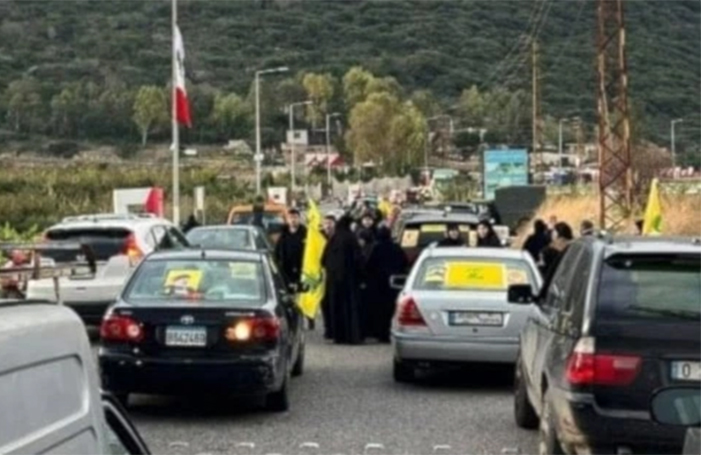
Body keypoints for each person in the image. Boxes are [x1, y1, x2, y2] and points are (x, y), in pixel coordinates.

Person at [321, 215, 364, 345]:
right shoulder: (351, 238)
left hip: (334, 280)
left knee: (336, 307)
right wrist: (361, 276)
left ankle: (338, 335)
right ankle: (352, 336)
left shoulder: (334, 239)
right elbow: (358, 259)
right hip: (350, 280)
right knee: (351, 308)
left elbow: (323, 259)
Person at [363, 226, 407, 342]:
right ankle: (390, 332)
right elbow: (404, 262)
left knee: (379, 310)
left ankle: (380, 334)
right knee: (391, 310)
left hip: (378, 285)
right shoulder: (396, 248)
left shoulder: (376, 248)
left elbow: (369, 265)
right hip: (393, 285)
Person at [274, 209, 309, 325]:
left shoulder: (306, 234)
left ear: (299, 219)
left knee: (303, 295)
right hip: (287, 271)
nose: (293, 220)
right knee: (289, 297)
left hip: (302, 270)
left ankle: (307, 317)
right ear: (287, 220)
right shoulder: (283, 235)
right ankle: (292, 319)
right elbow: (277, 253)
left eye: (295, 217)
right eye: (291, 218)